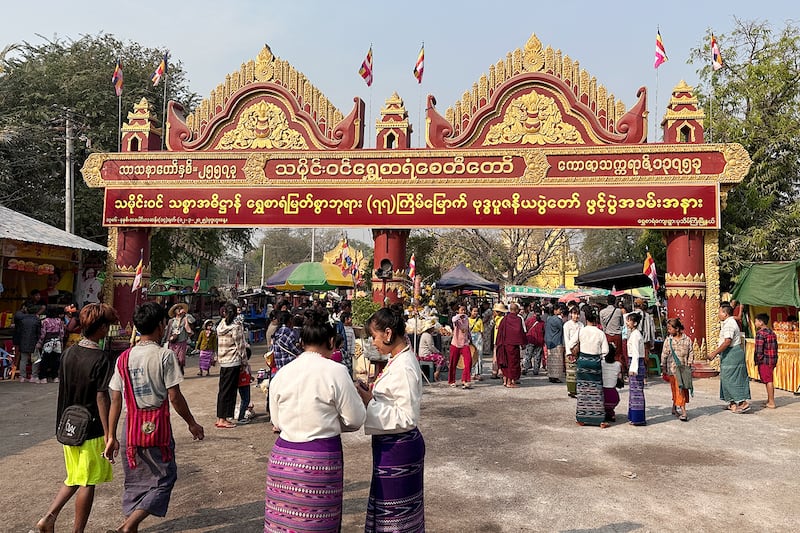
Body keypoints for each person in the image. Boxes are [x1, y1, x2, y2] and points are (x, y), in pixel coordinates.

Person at [103, 302, 204, 533]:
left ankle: (130, 525)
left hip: (130, 428)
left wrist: (110, 436)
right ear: (161, 325)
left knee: (136, 482)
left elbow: (115, 400)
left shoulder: (123, 358)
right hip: (157, 427)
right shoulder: (164, 356)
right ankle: (130, 525)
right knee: (165, 477)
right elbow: (175, 397)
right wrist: (192, 423)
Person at [265, 309, 366, 532]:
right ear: (331, 341)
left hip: (284, 461)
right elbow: (356, 419)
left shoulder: (283, 373)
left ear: (301, 342)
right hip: (319, 461)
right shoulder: (336, 371)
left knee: (284, 526)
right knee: (319, 526)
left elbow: (277, 420)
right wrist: (328, 421)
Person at [36, 303, 118, 533]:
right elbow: (102, 397)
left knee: (74, 476)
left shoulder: (69, 353)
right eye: (107, 326)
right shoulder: (101, 358)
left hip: (68, 425)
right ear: (101, 328)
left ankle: (48, 518)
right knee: (87, 481)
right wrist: (109, 433)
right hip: (90, 428)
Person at [356, 304, 425, 532]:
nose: (372, 343)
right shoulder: (397, 360)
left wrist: (369, 402)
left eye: (374, 336)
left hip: (399, 447)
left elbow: (406, 416)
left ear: (388, 333)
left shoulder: (404, 366)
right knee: (389, 511)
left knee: (397, 517)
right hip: (391, 446)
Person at [708, 303, 751, 413]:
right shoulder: (728, 322)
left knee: (731, 379)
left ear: (725, 313)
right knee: (726, 378)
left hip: (732, 353)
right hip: (729, 354)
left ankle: (742, 402)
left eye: (719, 312)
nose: (718, 315)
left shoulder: (729, 324)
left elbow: (727, 342)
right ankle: (732, 403)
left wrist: (714, 353)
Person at [575, 306, 609, 427]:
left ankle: (582, 417)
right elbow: (605, 350)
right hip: (595, 361)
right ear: (596, 320)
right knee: (596, 389)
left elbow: (571, 343)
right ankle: (599, 419)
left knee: (583, 389)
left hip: (583, 361)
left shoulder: (581, 330)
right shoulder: (600, 333)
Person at [216, 301, 247, 428]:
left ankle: (220, 417)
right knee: (229, 391)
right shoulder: (236, 326)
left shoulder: (221, 324)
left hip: (223, 362)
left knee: (223, 391)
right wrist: (244, 362)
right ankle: (223, 419)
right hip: (233, 361)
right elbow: (240, 346)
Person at [660, 318, 694, 421]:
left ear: (677, 329)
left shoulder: (687, 340)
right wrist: (663, 367)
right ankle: (683, 411)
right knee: (677, 390)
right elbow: (664, 355)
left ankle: (675, 408)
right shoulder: (668, 340)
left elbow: (691, 353)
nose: (668, 330)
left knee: (681, 390)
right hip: (672, 370)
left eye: (670, 328)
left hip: (683, 369)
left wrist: (689, 364)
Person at [496, 302, 527, 388]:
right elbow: (520, 332)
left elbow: (500, 332)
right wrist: (523, 343)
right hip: (513, 345)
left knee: (507, 363)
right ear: (516, 310)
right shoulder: (518, 319)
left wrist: (498, 344)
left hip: (505, 344)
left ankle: (506, 381)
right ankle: (509, 382)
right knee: (512, 363)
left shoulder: (504, 319)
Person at [626, 312, 647, 426]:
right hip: (636, 362)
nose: (627, 322)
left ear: (634, 323)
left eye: (629, 321)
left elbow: (635, 352)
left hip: (636, 362)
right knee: (635, 390)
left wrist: (633, 368)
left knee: (637, 391)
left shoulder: (635, 335)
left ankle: (637, 418)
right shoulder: (635, 334)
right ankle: (634, 416)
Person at [753, 313, 778, 409]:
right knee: (768, 379)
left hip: (765, 360)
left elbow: (759, 350)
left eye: (756, 321)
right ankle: (769, 399)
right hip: (772, 359)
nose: (755, 323)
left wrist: (758, 360)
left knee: (768, 380)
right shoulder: (772, 332)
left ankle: (771, 402)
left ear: (761, 322)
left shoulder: (760, 333)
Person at [36, 306, 66, 384]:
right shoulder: (59, 321)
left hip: (48, 342)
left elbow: (43, 333)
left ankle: (43, 377)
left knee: (45, 360)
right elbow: (62, 333)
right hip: (57, 342)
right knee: (56, 360)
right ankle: (55, 377)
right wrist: (61, 341)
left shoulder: (45, 321)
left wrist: (40, 342)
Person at [13, 304, 41, 382]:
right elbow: (39, 333)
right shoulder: (37, 320)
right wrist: (39, 342)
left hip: (23, 341)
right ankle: (34, 376)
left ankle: (22, 376)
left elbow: (19, 331)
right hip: (34, 341)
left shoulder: (22, 320)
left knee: (23, 360)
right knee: (35, 359)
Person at [164, 303, 193, 375]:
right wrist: (166, 339)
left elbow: (192, 321)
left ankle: (181, 368)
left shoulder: (185, 319)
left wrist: (185, 314)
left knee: (181, 359)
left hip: (182, 341)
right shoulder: (171, 321)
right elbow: (168, 331)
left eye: (180, 308)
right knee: (173, 358)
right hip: (173, 341)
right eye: (177, 309)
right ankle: (175, 372)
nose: (179, 310)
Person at [448, 304, 473, 389]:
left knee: (469, 361)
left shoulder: (466, 319)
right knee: (453, 363)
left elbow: (468, 330)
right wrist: (459, 315)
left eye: (464, 310)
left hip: (465, 343)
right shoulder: (456, 319)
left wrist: (470, 338)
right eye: (462, 310)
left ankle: (465, 380)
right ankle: (452, 380)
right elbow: (453, 319)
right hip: (455, 343)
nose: (463, 311)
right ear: (458, 311)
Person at [599, 294, 626, 373]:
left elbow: (603, 325)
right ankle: (619, 373)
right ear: (615, 302)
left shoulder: (602, 312)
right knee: (618, 355)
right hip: (617, 335)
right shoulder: (619, 311)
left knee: (607, 354)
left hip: (607, 335)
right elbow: (622, 323)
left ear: (607, 301)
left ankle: (608, 372)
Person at [563, 306, 583, 398]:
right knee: (570, 372)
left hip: (578, 350)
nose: (576, 316)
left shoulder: (581, 325)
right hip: (569, 349)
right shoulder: (567, 325)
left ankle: (577, 389)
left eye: (577, 314)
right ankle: (571, 390)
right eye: (574, 314)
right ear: (571, 314)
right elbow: (566, 339)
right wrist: (569, 351)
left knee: (578, 371)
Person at [545, 304, 566, 383]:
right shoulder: (558, 320)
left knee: (550, 360)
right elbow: (562, 328)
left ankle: (551, 376)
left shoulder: (549, 319)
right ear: (555, 310)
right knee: (557, 361)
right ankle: (555, 377)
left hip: (549, 341)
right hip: (556, 341)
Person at [601, 344, 622, 423]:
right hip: (614, 397)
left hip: (602, 395)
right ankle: (611, 413)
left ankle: (604, 413)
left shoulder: (601, 363)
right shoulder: (618, 365)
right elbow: (619, 379)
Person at [523, 304, 544, 375]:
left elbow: (524, 328)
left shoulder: (529, 320)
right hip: (539, 341)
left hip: (530, 339)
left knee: (528, 355)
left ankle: (525, 368)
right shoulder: (542, 322)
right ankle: (536, 370)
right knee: (537, 356)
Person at [490, 302, 508, 379]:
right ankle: (499, 371)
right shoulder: (503, 319)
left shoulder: (498, 319)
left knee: (496, 356)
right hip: (501, 340)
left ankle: (495, 372)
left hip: (497, 340)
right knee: (500, 356)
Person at [468, 305, 484, 380]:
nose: (475, 313)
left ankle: (478, 373)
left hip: (478, 337)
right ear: (470, 311)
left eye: (477, 311)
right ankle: (472, 373)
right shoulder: (467, 320)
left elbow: (482, 331)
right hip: (470, 338)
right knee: (472, 356)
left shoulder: (479, 320)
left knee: (479, 356)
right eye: (474, 311)